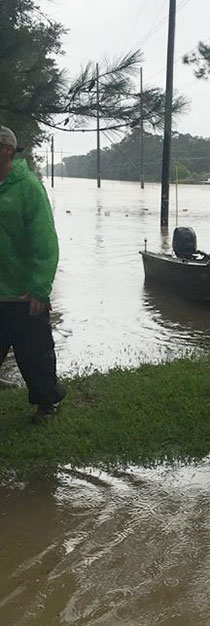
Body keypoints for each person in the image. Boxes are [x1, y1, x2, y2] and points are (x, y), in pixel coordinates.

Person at [0, 126, 65, 422]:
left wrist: (40, 287)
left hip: (22, 292)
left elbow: (45, 240)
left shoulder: (28, 188)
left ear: (7, 150)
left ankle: (48, 402)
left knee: (35, 352)